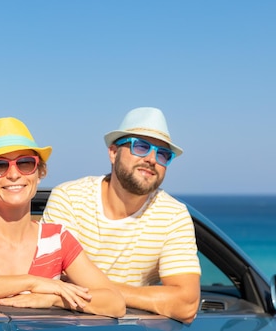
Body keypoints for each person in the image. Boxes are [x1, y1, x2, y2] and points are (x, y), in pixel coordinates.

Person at [0, 117, 125, 318]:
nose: (13, 174)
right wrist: (33, 282)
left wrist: (54, 299)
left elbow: (114, 303)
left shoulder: (57, 240)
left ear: (39, 173)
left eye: (25, 163)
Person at [42, 107, 201, 323]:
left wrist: (106, 295)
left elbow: (186, 304)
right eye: (141, 147)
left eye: (163, 154)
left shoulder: (173, 215)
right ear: (113, 152)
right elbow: (49, 279)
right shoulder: (70, 198)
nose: (152, 159)